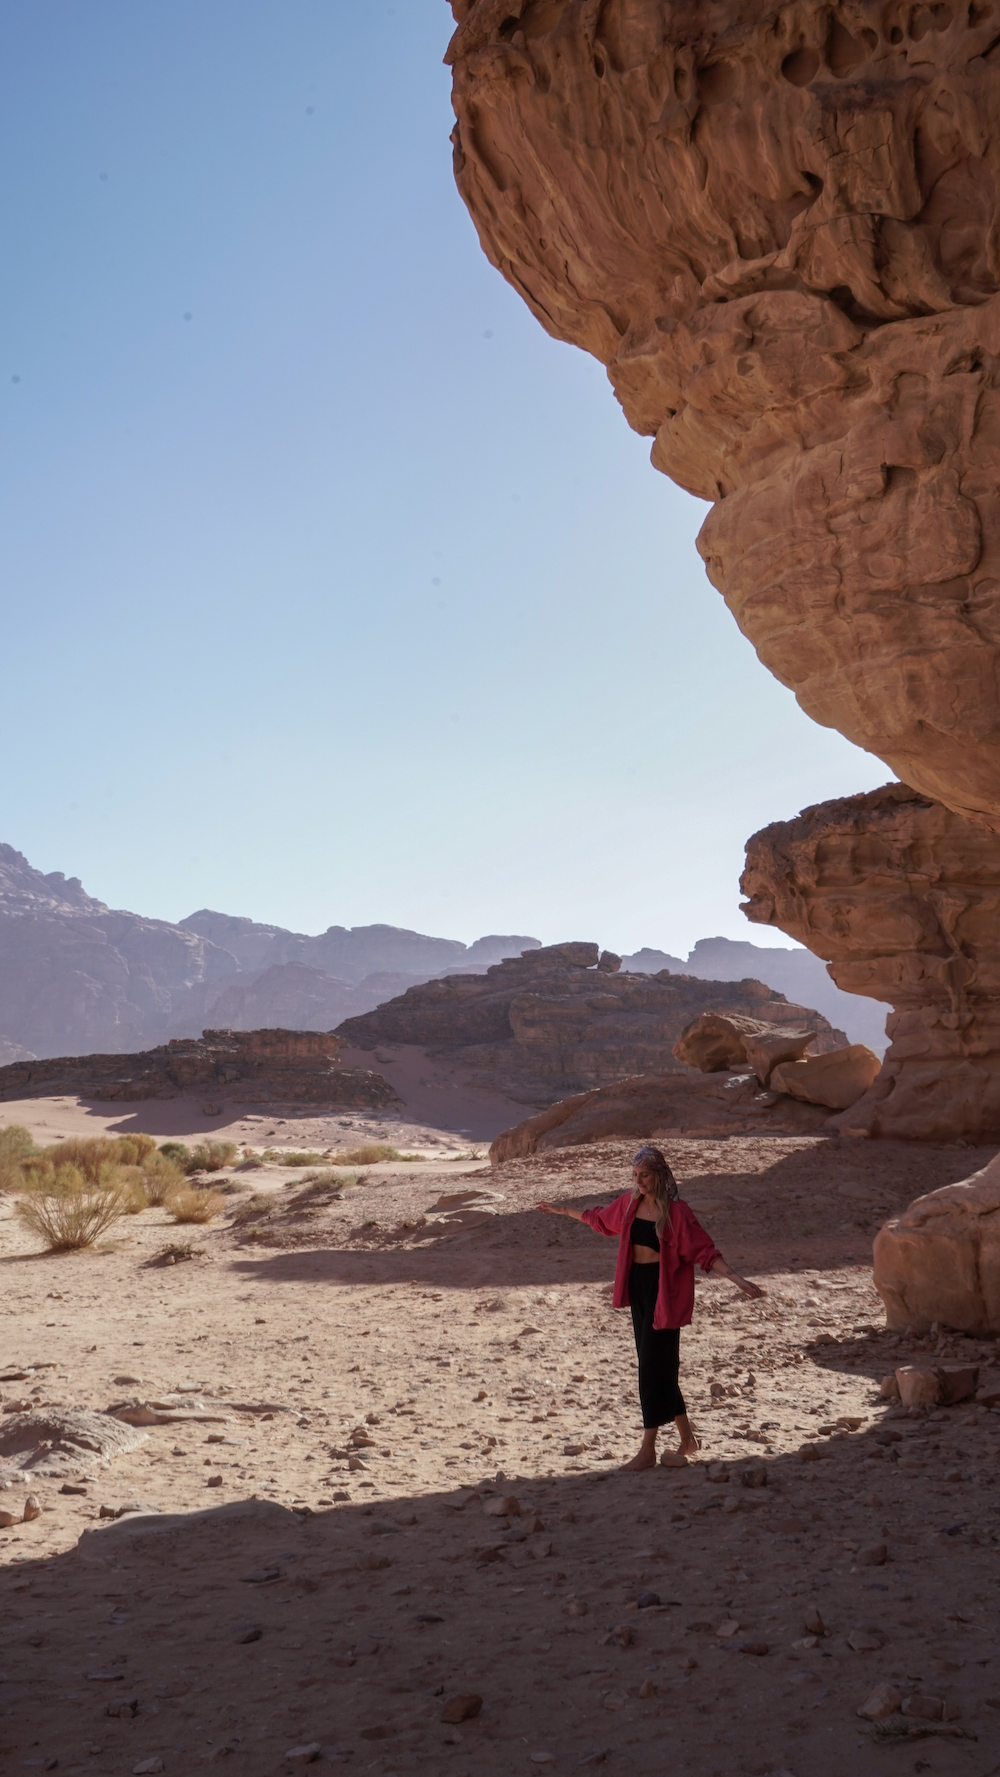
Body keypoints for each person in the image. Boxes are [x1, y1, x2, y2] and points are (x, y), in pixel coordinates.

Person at [536, 1143, 764, 1471]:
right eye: (634, 1175)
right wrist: (562, 1211)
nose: (638, 1181)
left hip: (664, 1291)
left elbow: (704, 1251)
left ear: (658, 1175)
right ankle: (687, 1440)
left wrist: (738, 1279)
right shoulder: (631, 1204)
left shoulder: (677, 1213)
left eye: (644, 1175)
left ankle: (648, 1449)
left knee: (650, 1368)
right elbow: (599, 1219)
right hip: (638, 1287)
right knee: (657, 1363)